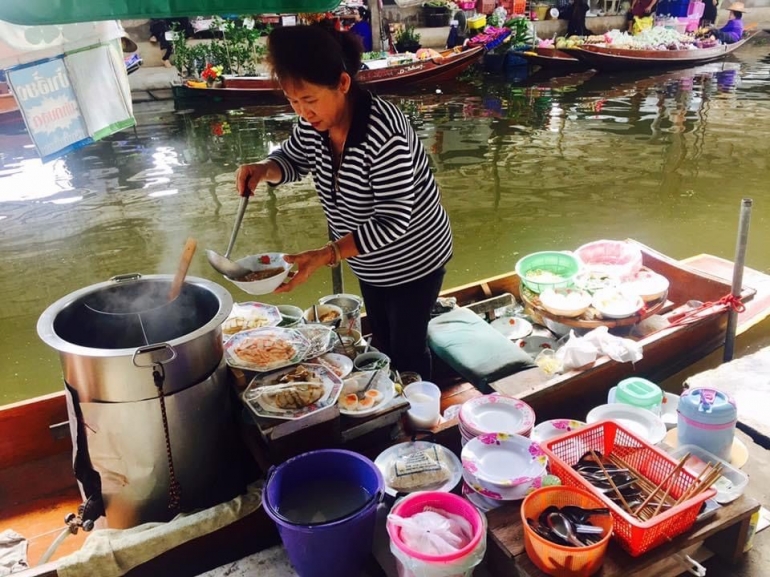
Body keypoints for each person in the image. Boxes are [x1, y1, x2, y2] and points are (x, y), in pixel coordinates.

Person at [235, 25, 453, 379]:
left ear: (343, 83)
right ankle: (386, 399)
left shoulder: (385, 132)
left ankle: (418, 416)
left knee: (408, 349)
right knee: (382, 339)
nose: (303, 112)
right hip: (367, 260)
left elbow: (393, 221)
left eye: (309, 100)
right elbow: (292, 160)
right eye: (293, 101)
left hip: (415, 260)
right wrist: (264, 169)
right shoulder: (313, 126)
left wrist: (323, 255)